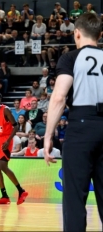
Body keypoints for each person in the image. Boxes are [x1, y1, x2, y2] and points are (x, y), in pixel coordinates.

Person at [43, 13, 103, 231]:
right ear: (100, 35)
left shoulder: (70, 58)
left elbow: (58, 97)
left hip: (81, 127)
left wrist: (49, 136)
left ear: (76, 33)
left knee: (75, 198)